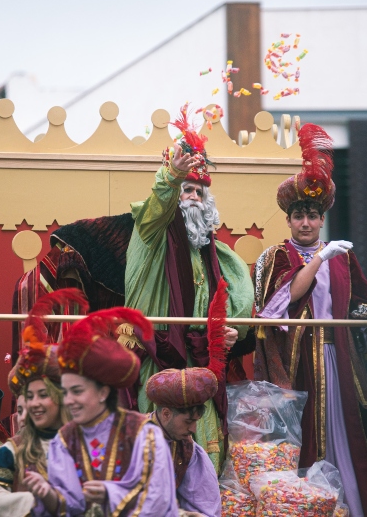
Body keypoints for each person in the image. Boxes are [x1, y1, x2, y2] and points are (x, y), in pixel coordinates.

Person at [253, 124, 367, 517]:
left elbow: (366, 301)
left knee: (349, 434)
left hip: (340, 360)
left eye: (312, 216)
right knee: (304, 437)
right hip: (297, 366)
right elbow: (283, 300)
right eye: (299, 215)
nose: (305, 222)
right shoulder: (277, 257)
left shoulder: (343, 256)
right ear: (288, 220)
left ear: (321, 220)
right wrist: (319, 257)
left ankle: (353, 507)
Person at [123, 104, 254, 469]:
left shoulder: (214, 252)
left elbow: (239, 295)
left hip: (200, 362)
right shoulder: (150, 233)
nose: (193, 196)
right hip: (158, 357)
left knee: (203, 452)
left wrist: (230, 329)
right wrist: (171, 176)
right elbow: (157, 206)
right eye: (186, 190)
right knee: (155, 453)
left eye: (198, 191)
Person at [0, 288, 87, 516]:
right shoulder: (14, 449)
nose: (34, 404)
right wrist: (30, 503)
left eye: (43, 395)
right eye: (29, 397)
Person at [47, 306, 178, 516]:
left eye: (77, 391)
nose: (69, 400)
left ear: (103, 392)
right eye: (65, 392)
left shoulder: (144, 434)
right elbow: (63, 501)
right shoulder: (63, 439)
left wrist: (110, 494)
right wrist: (47, 495)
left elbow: (158, 498)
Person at [146, 367, 221, 517]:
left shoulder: (186, 448)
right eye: (188, 421)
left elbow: (204, 501)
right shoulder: (129, 439)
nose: (193, 429)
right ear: (166, 414)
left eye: (196, 421)